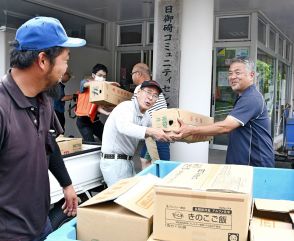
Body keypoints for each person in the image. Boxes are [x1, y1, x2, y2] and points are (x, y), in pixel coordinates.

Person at [0, 16, 86, 240]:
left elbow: (49, 143)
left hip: (41, 224)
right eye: (65, 59)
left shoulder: (43, 101)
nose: (67, 68)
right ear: (43, 60)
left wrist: (67, 185)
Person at [171, 58, 274, 167]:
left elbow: (225, 127)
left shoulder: (251, 98)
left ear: (251, 75)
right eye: (230, 73)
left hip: (255, 163)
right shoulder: (244, 96)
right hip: (244, 162)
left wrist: (192, 130)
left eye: (237, 73)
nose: (232, 77)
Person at [100, 80, 172, 186]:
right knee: (121, 199)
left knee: (129, 197)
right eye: (148, 92)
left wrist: (174, 135)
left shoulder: (146, 115)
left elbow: (155, 134)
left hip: (128, 162)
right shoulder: (126, 107)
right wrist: (151, 131)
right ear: (138, 92)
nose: (150, 98)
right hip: (114, 162)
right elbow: (124, 127)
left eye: (155, 95)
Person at [131, 63, 170, 169]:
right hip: (155, 131)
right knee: (144, 159)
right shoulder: (155, 89)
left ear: (138, 74)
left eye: (132, 74)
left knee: (161, 165)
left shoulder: (141, 89)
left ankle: (157, 183)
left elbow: (133, 110)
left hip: (156, 132)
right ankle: (147, 181)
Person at [76, 63, 116, 142]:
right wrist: (104, 83)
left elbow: (97, 106)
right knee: (90, 143)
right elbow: (85, 84)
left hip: (95, 121)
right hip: (83, 122)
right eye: (100, 75)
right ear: (94, 75)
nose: (102, 78)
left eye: (104, 76)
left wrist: (107, 113)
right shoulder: (84, 82)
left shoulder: (101, 89)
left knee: (107, 139)